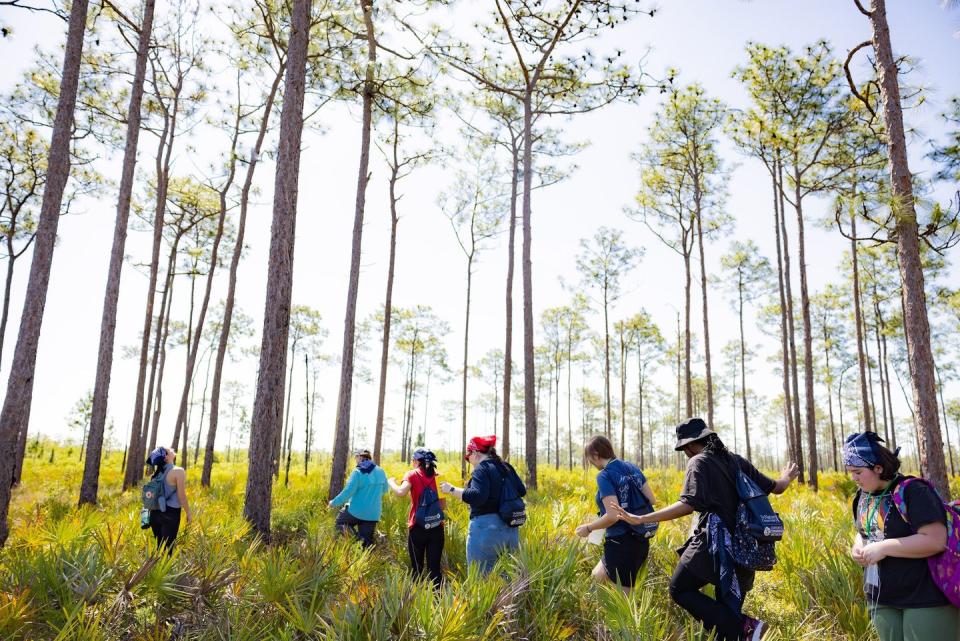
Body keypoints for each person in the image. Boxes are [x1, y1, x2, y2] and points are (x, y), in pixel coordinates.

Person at [612, 418, 798, 641]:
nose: (685, 453)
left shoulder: (698, 462)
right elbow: (776, 488)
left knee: (679, 589)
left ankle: (747, 627)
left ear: (689, 446)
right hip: (747, 545)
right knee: (727, 609)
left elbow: (688, 505)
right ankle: (744, 629)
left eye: (684, 449)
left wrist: (642, 518)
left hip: (716, 546)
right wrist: (786, 477)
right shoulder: (736, 460)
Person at [844, 431, 957, 641]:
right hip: (881, 597)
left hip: (926, 597)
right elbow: (864, 532)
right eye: (850, 472)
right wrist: (858, 546)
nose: (853, 478)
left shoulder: (914, 491)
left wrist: (884, 548)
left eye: (858, 472)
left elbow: (935, 539)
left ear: (878, 468)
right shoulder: (862, 496)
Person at [574, 434, 655, 594]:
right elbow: (651, 499)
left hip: (621, 541)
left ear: (596, 455)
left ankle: (623, 619)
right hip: (641, 537)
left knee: (623, 602)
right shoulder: (633, 468)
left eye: (589, 458)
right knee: (597, 577)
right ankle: (600, 617)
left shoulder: (604, 475)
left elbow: (612, 516)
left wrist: (588, 528)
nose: (590, 462)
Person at [439, 435, 525, 575]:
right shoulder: (506, 467)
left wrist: (451, 490)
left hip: (486, 531)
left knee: (480, 579)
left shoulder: (481, 469)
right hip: (511, 529)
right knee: (508, 579)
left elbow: (477, 496)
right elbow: (522, 490)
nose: (468, 459)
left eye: (468, 456)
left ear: (476, 453)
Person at [388, 447, 445, 588]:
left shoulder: (412, 474)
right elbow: (443, 506)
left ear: (416, 461)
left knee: (417, 569)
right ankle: (437, 602)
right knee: (435, 569)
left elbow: (401, 492)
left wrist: (391, 482)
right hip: (437, 528)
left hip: (417, 528)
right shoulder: (439, 476)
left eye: (412, 460)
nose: (412, 463)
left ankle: (418, 601)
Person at [329, 448, 388, 547]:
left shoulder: (358, 472)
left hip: (355, 511)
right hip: (373, 514)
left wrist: (333, 502)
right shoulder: (381, 471)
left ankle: (358, 539)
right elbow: (385, 490)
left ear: (360, 457)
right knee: (366, 546)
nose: (355, 459)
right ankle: (367, 540)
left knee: (340, 523)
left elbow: (348, 492)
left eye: (356, 457)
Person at [146, 446, 192, 553]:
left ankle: (157, 569)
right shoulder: (178, 471)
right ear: (165, 457)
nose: (172, 449)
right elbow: (182, 496)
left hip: (154, 514)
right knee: (167, 551)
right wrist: (188, 513)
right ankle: (163, 569)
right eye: (168, 451)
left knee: (160, 548)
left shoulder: (155, 475)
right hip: (170, 515)